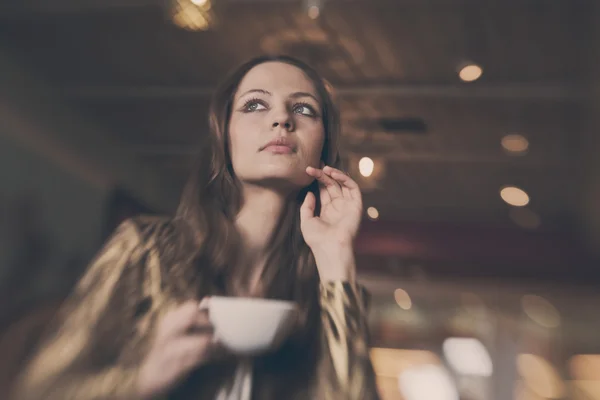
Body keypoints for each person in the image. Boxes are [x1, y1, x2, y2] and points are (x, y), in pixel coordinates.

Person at [11, 55, 380, 400]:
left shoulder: (333, 291)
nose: (282, 119)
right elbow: (37, 389)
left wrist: (335, 256)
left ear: (323, 147)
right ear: (225, 135)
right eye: (255, 104)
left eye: (303, 109)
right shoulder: (146, 249)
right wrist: (141, 377)